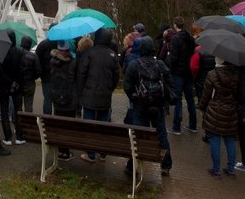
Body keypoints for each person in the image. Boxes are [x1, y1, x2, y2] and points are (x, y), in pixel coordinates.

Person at [124, 36, 174, 176]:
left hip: (140, 106)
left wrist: (135, 97)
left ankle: (132, 166)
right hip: (158, 107)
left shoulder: (134, 64)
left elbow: (127, 85)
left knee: (138, 135)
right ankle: (166, 165)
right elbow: (170, 84)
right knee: (161, 135)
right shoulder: (160, 64)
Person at [76, 27, 120, 162]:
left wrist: (81, 91)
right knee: (103, 126)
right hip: (105, 97)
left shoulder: (89, 53)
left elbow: (81, 74)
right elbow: (116, 77)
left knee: (89, 125)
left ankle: (91, 154)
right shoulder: (112, 55)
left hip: (89, 95)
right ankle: (102, 152)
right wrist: (109, 89)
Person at [200, 57, 239, 177]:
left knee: (215, 139)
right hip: (231, 110)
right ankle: (231, 168)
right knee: (230, 140)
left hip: (215, 110)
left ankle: (216, 169)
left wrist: (202, 106)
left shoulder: (212, 74)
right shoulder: (236, 74)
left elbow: (206, 93)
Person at [165, 18, 197, 134]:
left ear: (175, 25)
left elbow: (173, 58)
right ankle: (193, 124)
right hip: (188, 72)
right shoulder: (190, 39)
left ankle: (176, 127)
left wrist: (171, 70)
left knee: (177, 99)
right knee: (190, 99)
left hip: (178, 72)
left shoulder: (175, 39)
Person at [49, 40, 79, 161]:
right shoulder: (73, 62)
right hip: (70, 99)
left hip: (56, 98)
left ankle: (60, 150)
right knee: (68, 126)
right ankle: (65, 151)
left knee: (59, 125)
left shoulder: (52, 61)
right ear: (67, 50)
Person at [0, 29, 25, 145]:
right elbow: (22, 69)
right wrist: (16, 81)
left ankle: (7, 137)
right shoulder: (20, 52)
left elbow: (0, 71)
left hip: (3, 85)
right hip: (16, 85)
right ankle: (19, 136)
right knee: (18, 110)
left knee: (4, 111)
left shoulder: (1, 52)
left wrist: (8, 80)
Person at [35, 28, 56, 114]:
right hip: (58, 77)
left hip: (46, 77)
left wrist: (40, 73)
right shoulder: (61, 43)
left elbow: (37, 59)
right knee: (58, 99)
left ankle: (47, 119)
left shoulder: (43, 44)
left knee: (47, 99)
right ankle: (57, 119)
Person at [18, 35, 41, 114]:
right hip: (30, 83)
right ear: (30, 45)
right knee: (29, 105)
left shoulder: (17, 54)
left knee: (18, 106)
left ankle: (18, 123)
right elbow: (38, 72)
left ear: (21, 43)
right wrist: (32, 77)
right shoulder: (34, 56)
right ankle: (28, 123)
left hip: (18, 83)